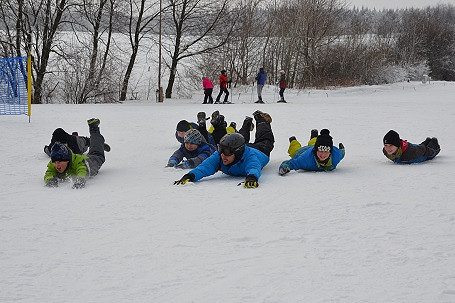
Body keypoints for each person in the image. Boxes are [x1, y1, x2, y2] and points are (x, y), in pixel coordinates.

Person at [174, 110, 274, 188]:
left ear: (237, 151)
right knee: (239, 137)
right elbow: (206, 166)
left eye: (226, 152)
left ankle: (260, 119)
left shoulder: (250, 157)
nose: (222, 155)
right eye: (220, 150)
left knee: (265, 138)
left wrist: (252, 177)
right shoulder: (221, 155)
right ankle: (247, 124)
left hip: (260, 150)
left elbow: (254, 167)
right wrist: (190, 176)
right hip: (243, 146)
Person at [44, 118, 107, 189]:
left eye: (59, 162)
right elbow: (49, 173)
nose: (56, 164)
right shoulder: (54, 163)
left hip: (89, 162)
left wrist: (80, 179)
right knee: (92, 145)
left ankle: (94, 130)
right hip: (75, 148)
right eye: (54, 162)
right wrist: (50, 179)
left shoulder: (77, 162)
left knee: (97, 154)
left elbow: (82, 169)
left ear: (67, 160)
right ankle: (97, 143)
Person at [279, 129, 345, 175]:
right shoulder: (305, 159)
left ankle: (314, 137)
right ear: (316, 150)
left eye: (326, 151)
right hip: (303, 151)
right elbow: (291, 163)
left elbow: (342, 153)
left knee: (314, 143)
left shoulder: (336, 155)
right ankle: (293, 141)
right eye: (320, 151)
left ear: (330, 152)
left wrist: (342, 149)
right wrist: (284, 167)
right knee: (295, 150)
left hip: (313, 146)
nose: (323, 154)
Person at [44, 128, 110, 156]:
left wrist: (45, 148)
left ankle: (96, 143)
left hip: (75, 148)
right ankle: (97, 143)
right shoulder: (71, 139)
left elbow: (48, 150)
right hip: (77, 144)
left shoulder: (53, 147)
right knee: (86, 141)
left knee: (83, 141)